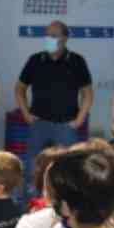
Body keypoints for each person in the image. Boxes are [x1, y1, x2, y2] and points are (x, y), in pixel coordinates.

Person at [15, 21, 94, 196]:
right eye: (47, 35)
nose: (49, 39)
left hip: (66, 126)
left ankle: (65, 210)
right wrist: (26, 113)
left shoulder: (76, 61)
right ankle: (30, 209)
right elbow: (19, 88)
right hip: (38, 124)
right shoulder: (35, 60)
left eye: (54, 35)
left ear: (65, 38)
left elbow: (87, 93)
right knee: (32, 172)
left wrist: (80, 119)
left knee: (69, 171)